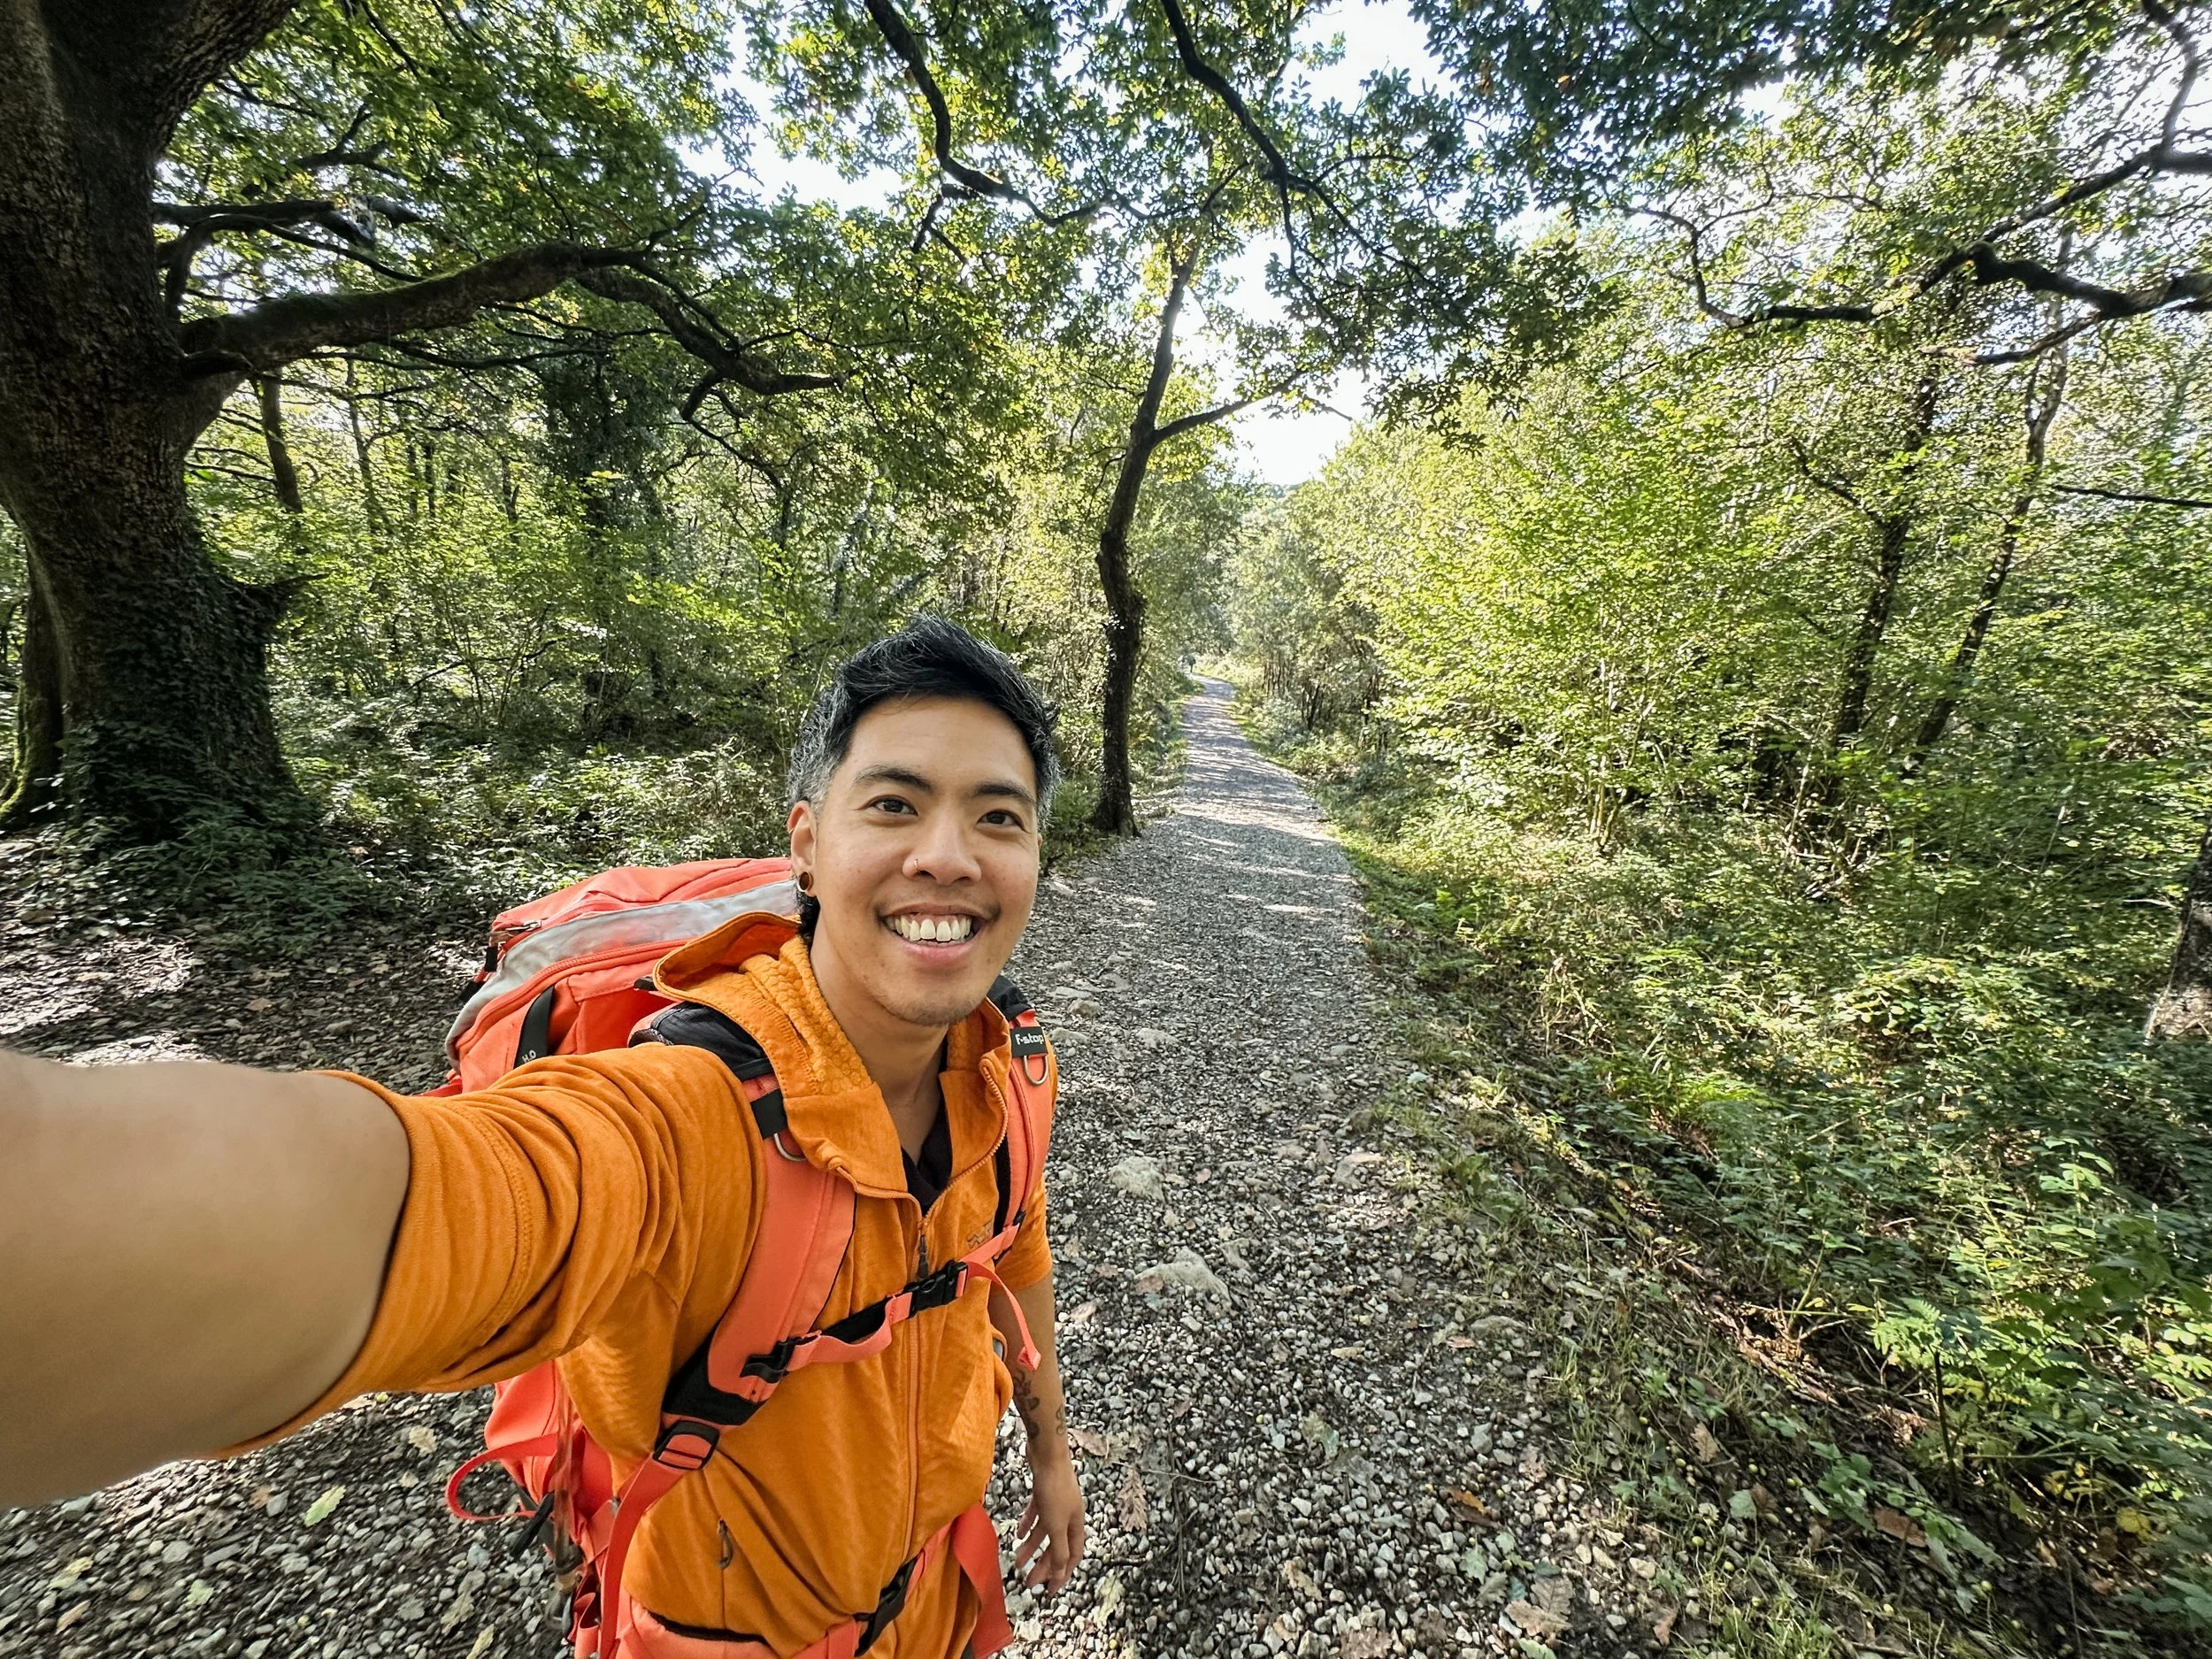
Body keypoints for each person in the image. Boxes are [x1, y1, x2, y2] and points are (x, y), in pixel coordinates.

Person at [0, 618, 1087, 1658]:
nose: (947, 856)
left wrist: (1048, 1450)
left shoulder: (1005, 1068)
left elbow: (1014, 1254)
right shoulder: (683, 1120)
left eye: (999, 817)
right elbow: (429, 1202)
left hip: (942, 1594)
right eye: (894, 804)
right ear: (806, 845)